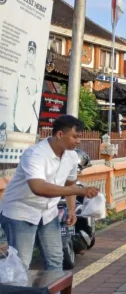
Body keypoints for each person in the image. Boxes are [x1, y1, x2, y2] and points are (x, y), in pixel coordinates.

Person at [0, 115, 99, 270]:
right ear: (60, 134)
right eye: (75, 137)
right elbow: (38, 187)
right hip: (21, 212)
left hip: (48, 213)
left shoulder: (72, 156)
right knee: (21, 263)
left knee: (56, 259)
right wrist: (78, 190)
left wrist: (71, 210)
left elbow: (70, 182)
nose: (78, 141)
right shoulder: (35, 154)